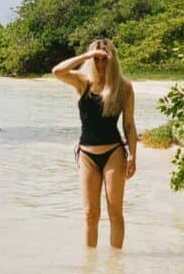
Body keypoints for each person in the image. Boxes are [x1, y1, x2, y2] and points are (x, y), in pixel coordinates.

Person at [52, 38, 137, 249]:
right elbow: (57, 71)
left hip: (114, 153)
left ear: (113, 60)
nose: (101, 65)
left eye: (105, 60)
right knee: (90, 214)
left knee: (115, 212)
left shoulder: (124, 87)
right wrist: (87, 55)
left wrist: (133, 155)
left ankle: (115, 267)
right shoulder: (83, 82)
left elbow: (129, 125)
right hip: (86, 154)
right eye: (97, 60)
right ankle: (89, 269)